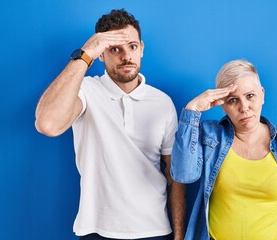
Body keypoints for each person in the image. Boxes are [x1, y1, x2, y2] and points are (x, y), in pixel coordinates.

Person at [35, 9, 185, 240]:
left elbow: (174, 177)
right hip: (97, 229)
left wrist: (179, 235)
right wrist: (85, 55)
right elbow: (47, 124)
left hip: (155, 230)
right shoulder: (85, 90)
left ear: (142, 48)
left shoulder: (162, 102)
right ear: (101, 54)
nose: (126, 56)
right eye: (115, 49)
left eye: (132, 47)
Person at [170, 59, 277, 240]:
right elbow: (183, 174)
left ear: (262, 95)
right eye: (233, 100)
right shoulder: (210, 136)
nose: (244, 107)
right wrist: (192, 110)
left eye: (250, 96)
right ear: (223, 105)